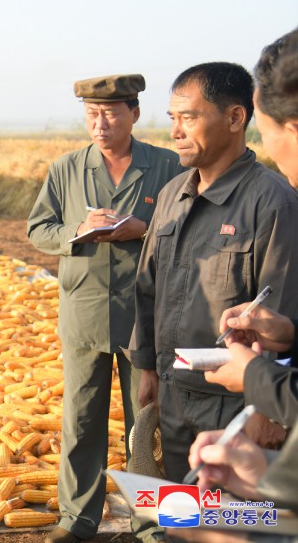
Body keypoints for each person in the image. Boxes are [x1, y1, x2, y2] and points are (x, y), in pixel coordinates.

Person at [28, 74, 184, 543]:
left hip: (147, 317)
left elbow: (188, 222)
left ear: (134, 114)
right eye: (92, 114)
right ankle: (77, 521)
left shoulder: (167, 165)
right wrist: (78, 228)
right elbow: (39, 230)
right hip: (85, 312)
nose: (100, 123)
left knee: (149, 423)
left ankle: (154, 525)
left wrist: (144, 227)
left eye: (111, 113)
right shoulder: (66, 169)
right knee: (81, 421)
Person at [129, 62, 298, 485]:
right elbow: (148, 288)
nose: (175, 132)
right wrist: (147, 368)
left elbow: (281, 317)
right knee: (182, 517)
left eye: (189, 117)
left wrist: (267, 410)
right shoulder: (172, 195)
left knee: (233, 520)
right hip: (172, 395)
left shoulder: (272, 202)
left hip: (234, 407)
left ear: (236, 118)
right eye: (172, 118)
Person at [206, 28, 298, 427]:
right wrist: (290, 333)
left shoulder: (274, 198)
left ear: (292, 128)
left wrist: (255, 378)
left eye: (265, 132)